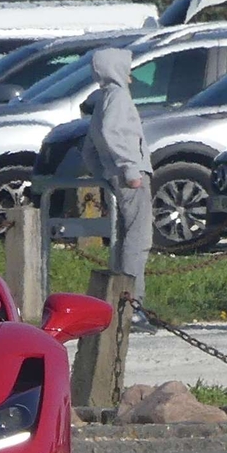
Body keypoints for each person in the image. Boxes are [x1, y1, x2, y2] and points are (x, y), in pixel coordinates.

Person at [80, 47, 152, 293]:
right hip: (130, 175)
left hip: (114, 174)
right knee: (138, 239)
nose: (130, 72)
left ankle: (121, 297)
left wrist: (100, 172)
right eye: (126, 67)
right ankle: (133, 300)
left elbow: (90, 146)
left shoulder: (103, 98)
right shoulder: (119, 96)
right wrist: (131, 170)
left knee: (123, 237)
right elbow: (113, 133)